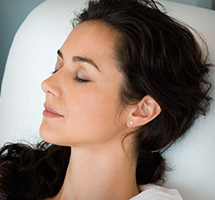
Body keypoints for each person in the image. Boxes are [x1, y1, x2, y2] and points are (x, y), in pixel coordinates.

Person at [0, 0, 212, 199]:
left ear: (142, 110)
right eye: (57, 68)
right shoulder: (12, 185)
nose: (47, 84)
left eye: (81, 77)